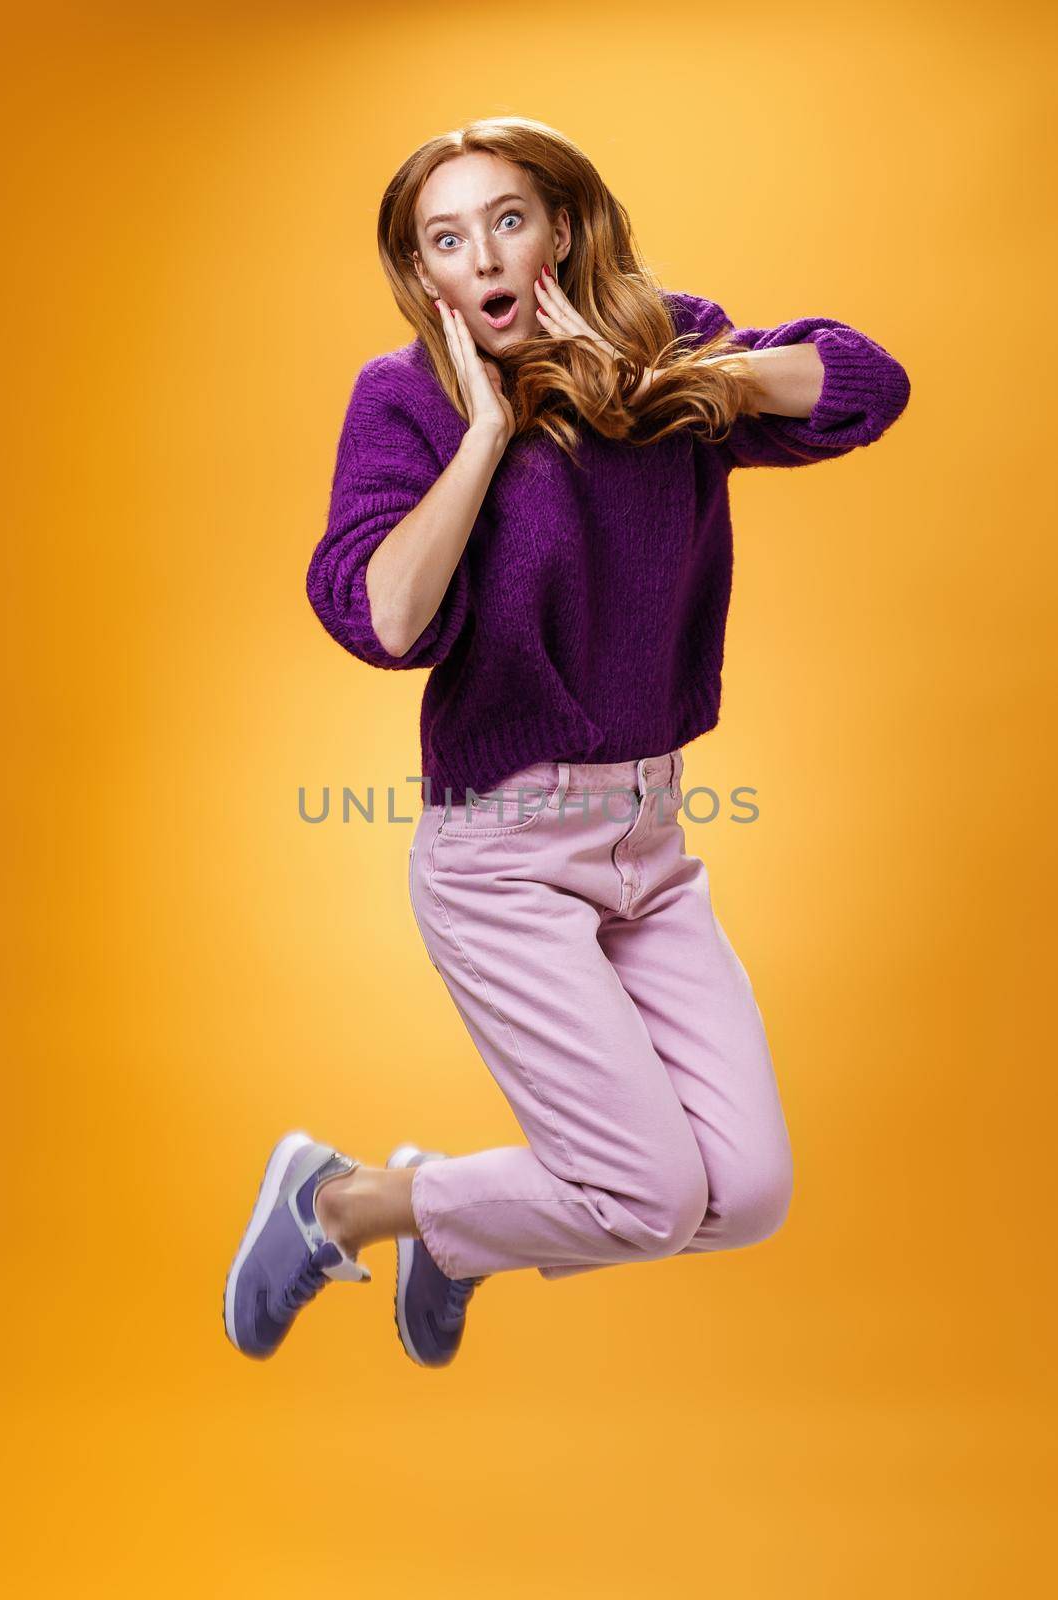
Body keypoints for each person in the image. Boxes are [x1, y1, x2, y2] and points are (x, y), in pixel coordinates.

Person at [223, 116, 910, 1367]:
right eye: (444, 238)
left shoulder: (664, 345)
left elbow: (864, 384)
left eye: (505, 219)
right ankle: (345, 1205)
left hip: (647, 843)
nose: (479, 256)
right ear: (422, 275)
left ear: (558, 228)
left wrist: (668, 379)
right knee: (646, 1197)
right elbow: (379, 616)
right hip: (501, 859)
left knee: (744, 1193)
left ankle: (433, 1221)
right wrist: (484, 436)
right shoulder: (406, 399)